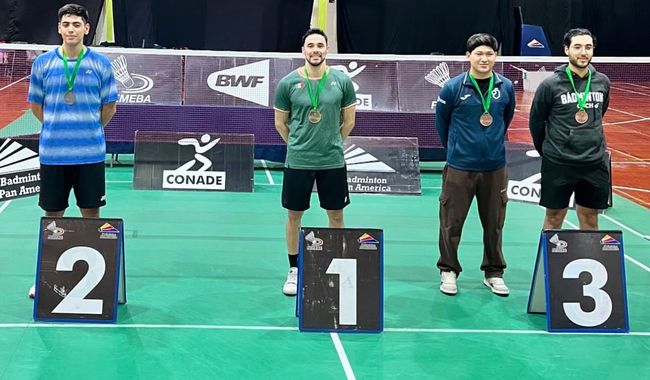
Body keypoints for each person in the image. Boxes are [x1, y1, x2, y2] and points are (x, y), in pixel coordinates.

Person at [27, 3, 118, 298]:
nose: (70, 29)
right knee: (54, 219)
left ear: (87, 29)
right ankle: (47, 277)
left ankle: (94, 280)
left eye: (76, 24)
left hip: (90, 153)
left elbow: (109, 107)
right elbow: (36, 107)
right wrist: (57, 126)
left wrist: (87, 129)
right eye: (66, 24)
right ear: (59, 28)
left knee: (90, 215)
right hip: (53, 153)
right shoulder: (42, 64)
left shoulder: (101, 64)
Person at [273, 28, 356, 296]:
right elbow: (280, 123)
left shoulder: (342, 81)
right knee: (294, 216)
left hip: (332, 160)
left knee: (336, 216)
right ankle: (295, 269)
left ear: (327, 49)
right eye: (311, 45)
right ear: (303, 51)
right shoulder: (287, 83)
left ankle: (335, 265)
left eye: (320, 45)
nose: (315, 50)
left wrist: (332, 142)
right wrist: (298, 146)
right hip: (298, 161)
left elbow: (349, 121)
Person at [435, 33, 516, 296]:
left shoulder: (505, 87)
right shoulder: (453, 87)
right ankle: (448, 270)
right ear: (468, 56)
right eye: (478, 53)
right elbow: (442, 124)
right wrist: (457, 151)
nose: (484, 58)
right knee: (451, 223)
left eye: (489, 53)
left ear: (496, 56)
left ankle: (493, 272)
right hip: (459, 167)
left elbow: (507, 117)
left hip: (495, 167)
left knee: (494, 223)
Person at [529, 28, 610, 231]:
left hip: (594, 163)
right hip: (559, 163)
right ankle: (548, 263)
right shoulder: (550, 85)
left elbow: (600, 114)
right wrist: (549, 151)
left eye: (588, 47)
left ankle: (589, 262)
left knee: (591, 220)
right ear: (566, 50)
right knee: (554, 219)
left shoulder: (602, 82)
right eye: (577, 47)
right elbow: (536, 122)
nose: (583, 52)